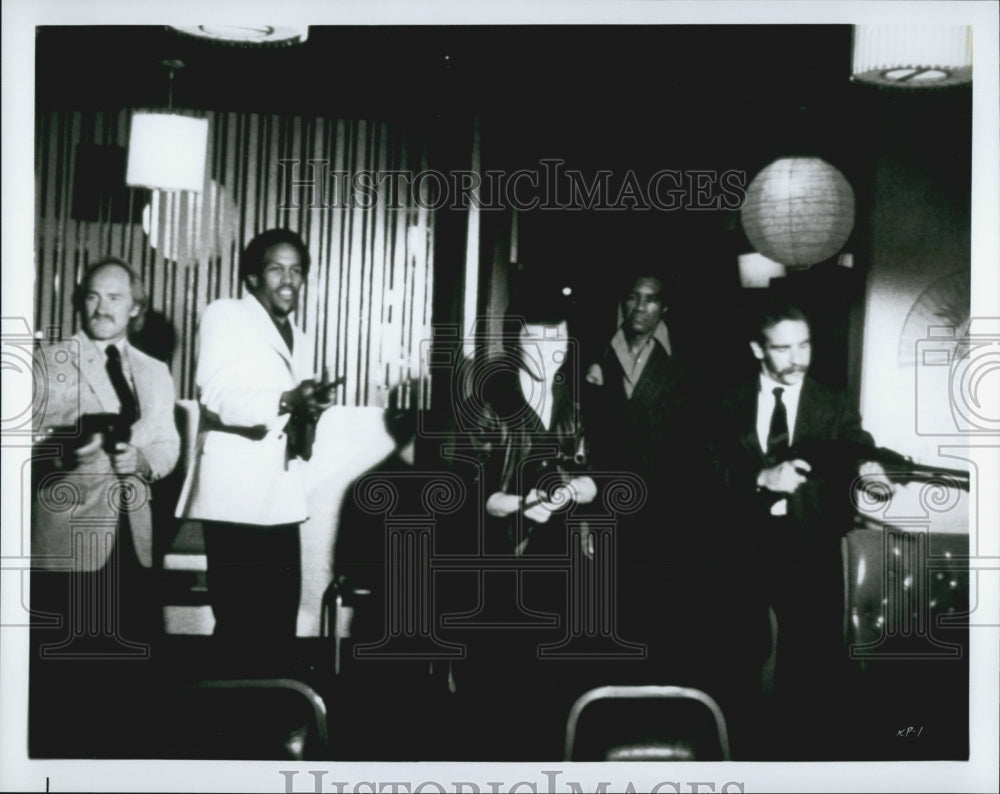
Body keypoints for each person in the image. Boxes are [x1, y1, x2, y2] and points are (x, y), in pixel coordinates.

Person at [711, 301, 887, 759]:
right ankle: (740, 760)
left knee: (809, 668)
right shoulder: (723, 400)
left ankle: (794, 761)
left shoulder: (832, 402)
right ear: (757, 349)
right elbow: (702, 469)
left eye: (804, 344)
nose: (798, 358)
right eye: (783, 348)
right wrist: (758, 478)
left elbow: (855, 442)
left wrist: (870, 466)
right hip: (740, 545)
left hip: (809, 547)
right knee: (737, 660)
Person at [30, 257, 180, 755]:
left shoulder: (157, 372)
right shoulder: (51, 361)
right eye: (93, 296)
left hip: (132, 537)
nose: (101, 307)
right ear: (81, 301)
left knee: (133, 677)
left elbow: (167, 444)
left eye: (114, 298)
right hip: (71, 536)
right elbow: (24, 444)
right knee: (69, 682)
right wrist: (67, 443)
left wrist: (143, 459)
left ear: (134, 307)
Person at [176, 228, 335, 646]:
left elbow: (287, 411)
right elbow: (215, 396)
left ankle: (270, 711)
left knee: (279, 618)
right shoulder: (226, 314)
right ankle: (230, 712)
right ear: (251, 278)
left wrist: (309, 412)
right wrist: (286, 399)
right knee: (241, 624)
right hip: (235, 498)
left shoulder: (298, 335)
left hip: (279, 498)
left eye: (296, 270)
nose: (288, 280)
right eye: (276, 269)